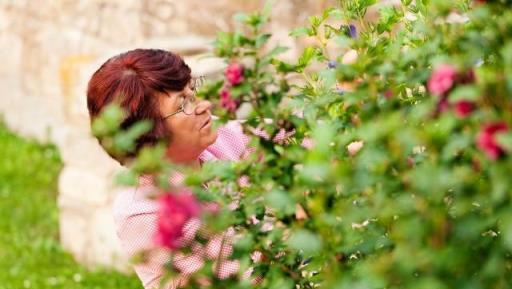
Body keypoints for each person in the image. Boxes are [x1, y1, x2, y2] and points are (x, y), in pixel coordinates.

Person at [86, 49, 252, 289]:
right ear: (151, 134)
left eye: (191, 90)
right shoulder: (143, 211)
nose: (204, 105)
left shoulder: (217, 142)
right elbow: (250, 269)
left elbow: (294, 132)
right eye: (183, 103)